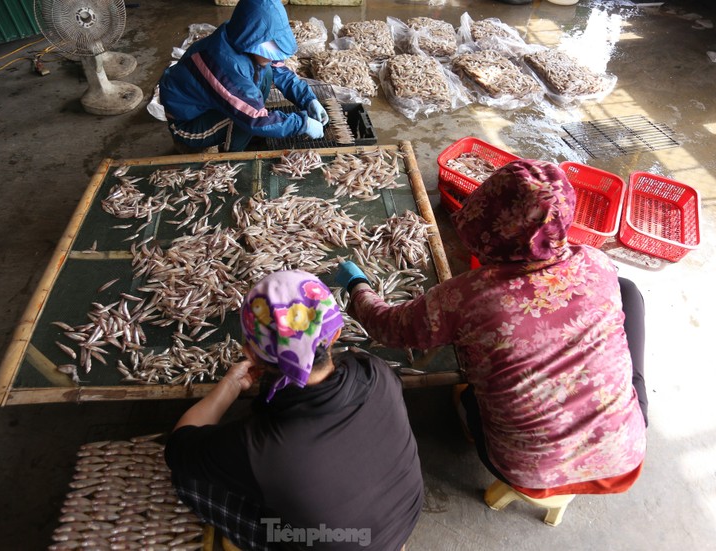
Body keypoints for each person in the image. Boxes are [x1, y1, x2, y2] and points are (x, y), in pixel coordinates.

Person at [335, 159, 648, 501]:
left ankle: (477, 426)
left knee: (471, 392)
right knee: (627, 290)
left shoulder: (467, 297)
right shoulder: (596, 262)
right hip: (625, 456)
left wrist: (357, 286)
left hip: (530, 472)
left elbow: (389, 327)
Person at [165, 270, 423, 550]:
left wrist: (229, 386)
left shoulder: (261, 445)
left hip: (342, 543)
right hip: (404, 520)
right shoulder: (376, 372)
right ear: (335, 333)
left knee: (187, 480)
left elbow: (178, 448)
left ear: (251, 354)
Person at [157, 0, 328, 153]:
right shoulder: (224, 65)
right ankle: (233, 157)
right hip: (188, 123)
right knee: (243, 120)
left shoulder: (241, 37)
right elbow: (254, 119)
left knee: (267, 71)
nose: (273, 56)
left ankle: (239, 136)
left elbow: (281, 71)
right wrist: (302, 124)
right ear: (253, 42)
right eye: (269, 49)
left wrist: (308, 100)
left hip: (210, 103)